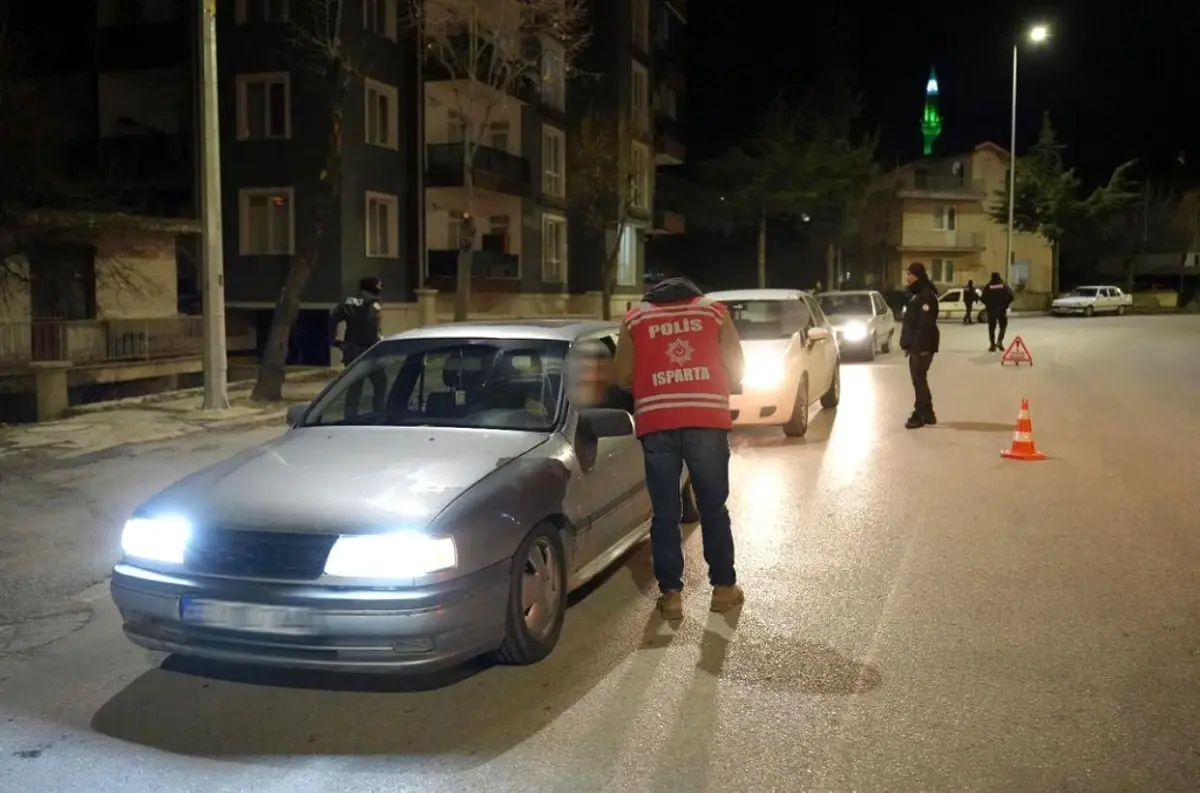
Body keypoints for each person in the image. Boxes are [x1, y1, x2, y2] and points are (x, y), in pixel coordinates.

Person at [614, 277, 745, 620]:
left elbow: (622, 375)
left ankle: (671, 595)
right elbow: (736, 366)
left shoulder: (635, 318)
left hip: (657, 422)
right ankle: (723, 589)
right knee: (712, 507)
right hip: (706, 418)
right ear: (694, 293)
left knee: (665, 512)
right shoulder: (714, 313)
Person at [330, 277, 386, 417]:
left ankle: (350, 416)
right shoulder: (372, 302)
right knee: (380, 383)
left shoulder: (349, 301)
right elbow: (371, 324)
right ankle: (379, 414)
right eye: (379, 287)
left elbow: (332, 316)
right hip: (369, 349)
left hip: (352, 349)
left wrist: (335, 339)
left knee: (354, 386)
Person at [899, 262, 940, 430]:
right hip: (916, 346)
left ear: (918, 276)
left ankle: (920, 414)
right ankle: (928, 413)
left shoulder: (926, 296)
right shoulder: (917, 295)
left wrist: (917, 347)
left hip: (923, 346)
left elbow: (925, 325)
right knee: (920, 379)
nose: (907, 278)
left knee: (919, 380)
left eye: (910, 274)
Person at [980, 271, 1015, 352]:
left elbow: (982, 298)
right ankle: (999, 341)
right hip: (1001, 310)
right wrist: (1006, 304)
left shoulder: (988, 286)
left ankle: (992, 345)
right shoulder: (1003, 286)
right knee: (1003, 325)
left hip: (991, 310)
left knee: (991, 328)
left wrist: (988, 305)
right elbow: (1012, 296)